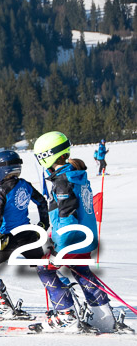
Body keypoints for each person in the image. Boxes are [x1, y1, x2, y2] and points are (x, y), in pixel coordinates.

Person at [33, 131, 121, 333]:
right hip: (85, 236)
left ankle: (66, 315)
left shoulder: (62, 180)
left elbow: (67, 218)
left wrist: (59, 250)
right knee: (82, 272)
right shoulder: (76, 175)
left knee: (45, 269)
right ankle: (104, 317)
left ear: (47, 155)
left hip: (71, 239)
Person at [0, 150, 48, 319]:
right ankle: (66, 305)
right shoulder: (26, 184)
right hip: (29, 236)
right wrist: (43, 224)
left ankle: (1, 305)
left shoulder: (0, 191)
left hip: (9, 240)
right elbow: (42, 202)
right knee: (45, 269)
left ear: (0, 170)